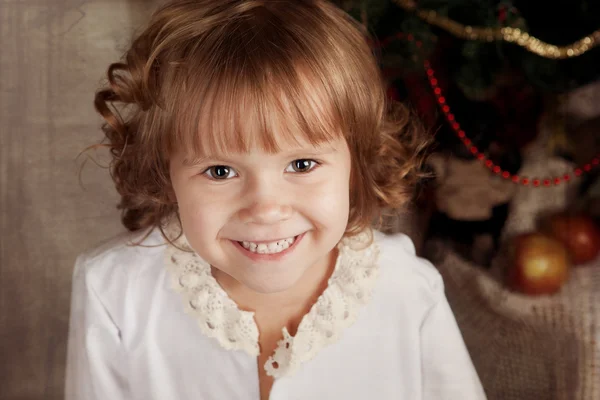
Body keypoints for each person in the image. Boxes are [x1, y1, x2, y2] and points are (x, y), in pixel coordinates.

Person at [65, 1, 486, 399]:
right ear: (165, 171)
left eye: (302, 164)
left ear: (356, 161)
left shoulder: (407, 288)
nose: (266, 208)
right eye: (220, 171)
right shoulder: (113, 292)